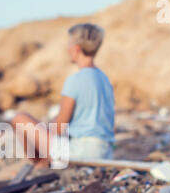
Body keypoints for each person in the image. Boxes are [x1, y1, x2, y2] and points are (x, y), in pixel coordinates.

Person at [11, 23, 115, 169]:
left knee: (19, 119)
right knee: (49, 127)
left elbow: (60, 127)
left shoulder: (75, 80)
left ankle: (40, 165)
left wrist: (42, 135)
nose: (67, 48)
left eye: (69, 44)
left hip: (80, 153)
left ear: (77, 49)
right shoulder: (104, 79)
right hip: (105, 153)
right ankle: (44, 162)